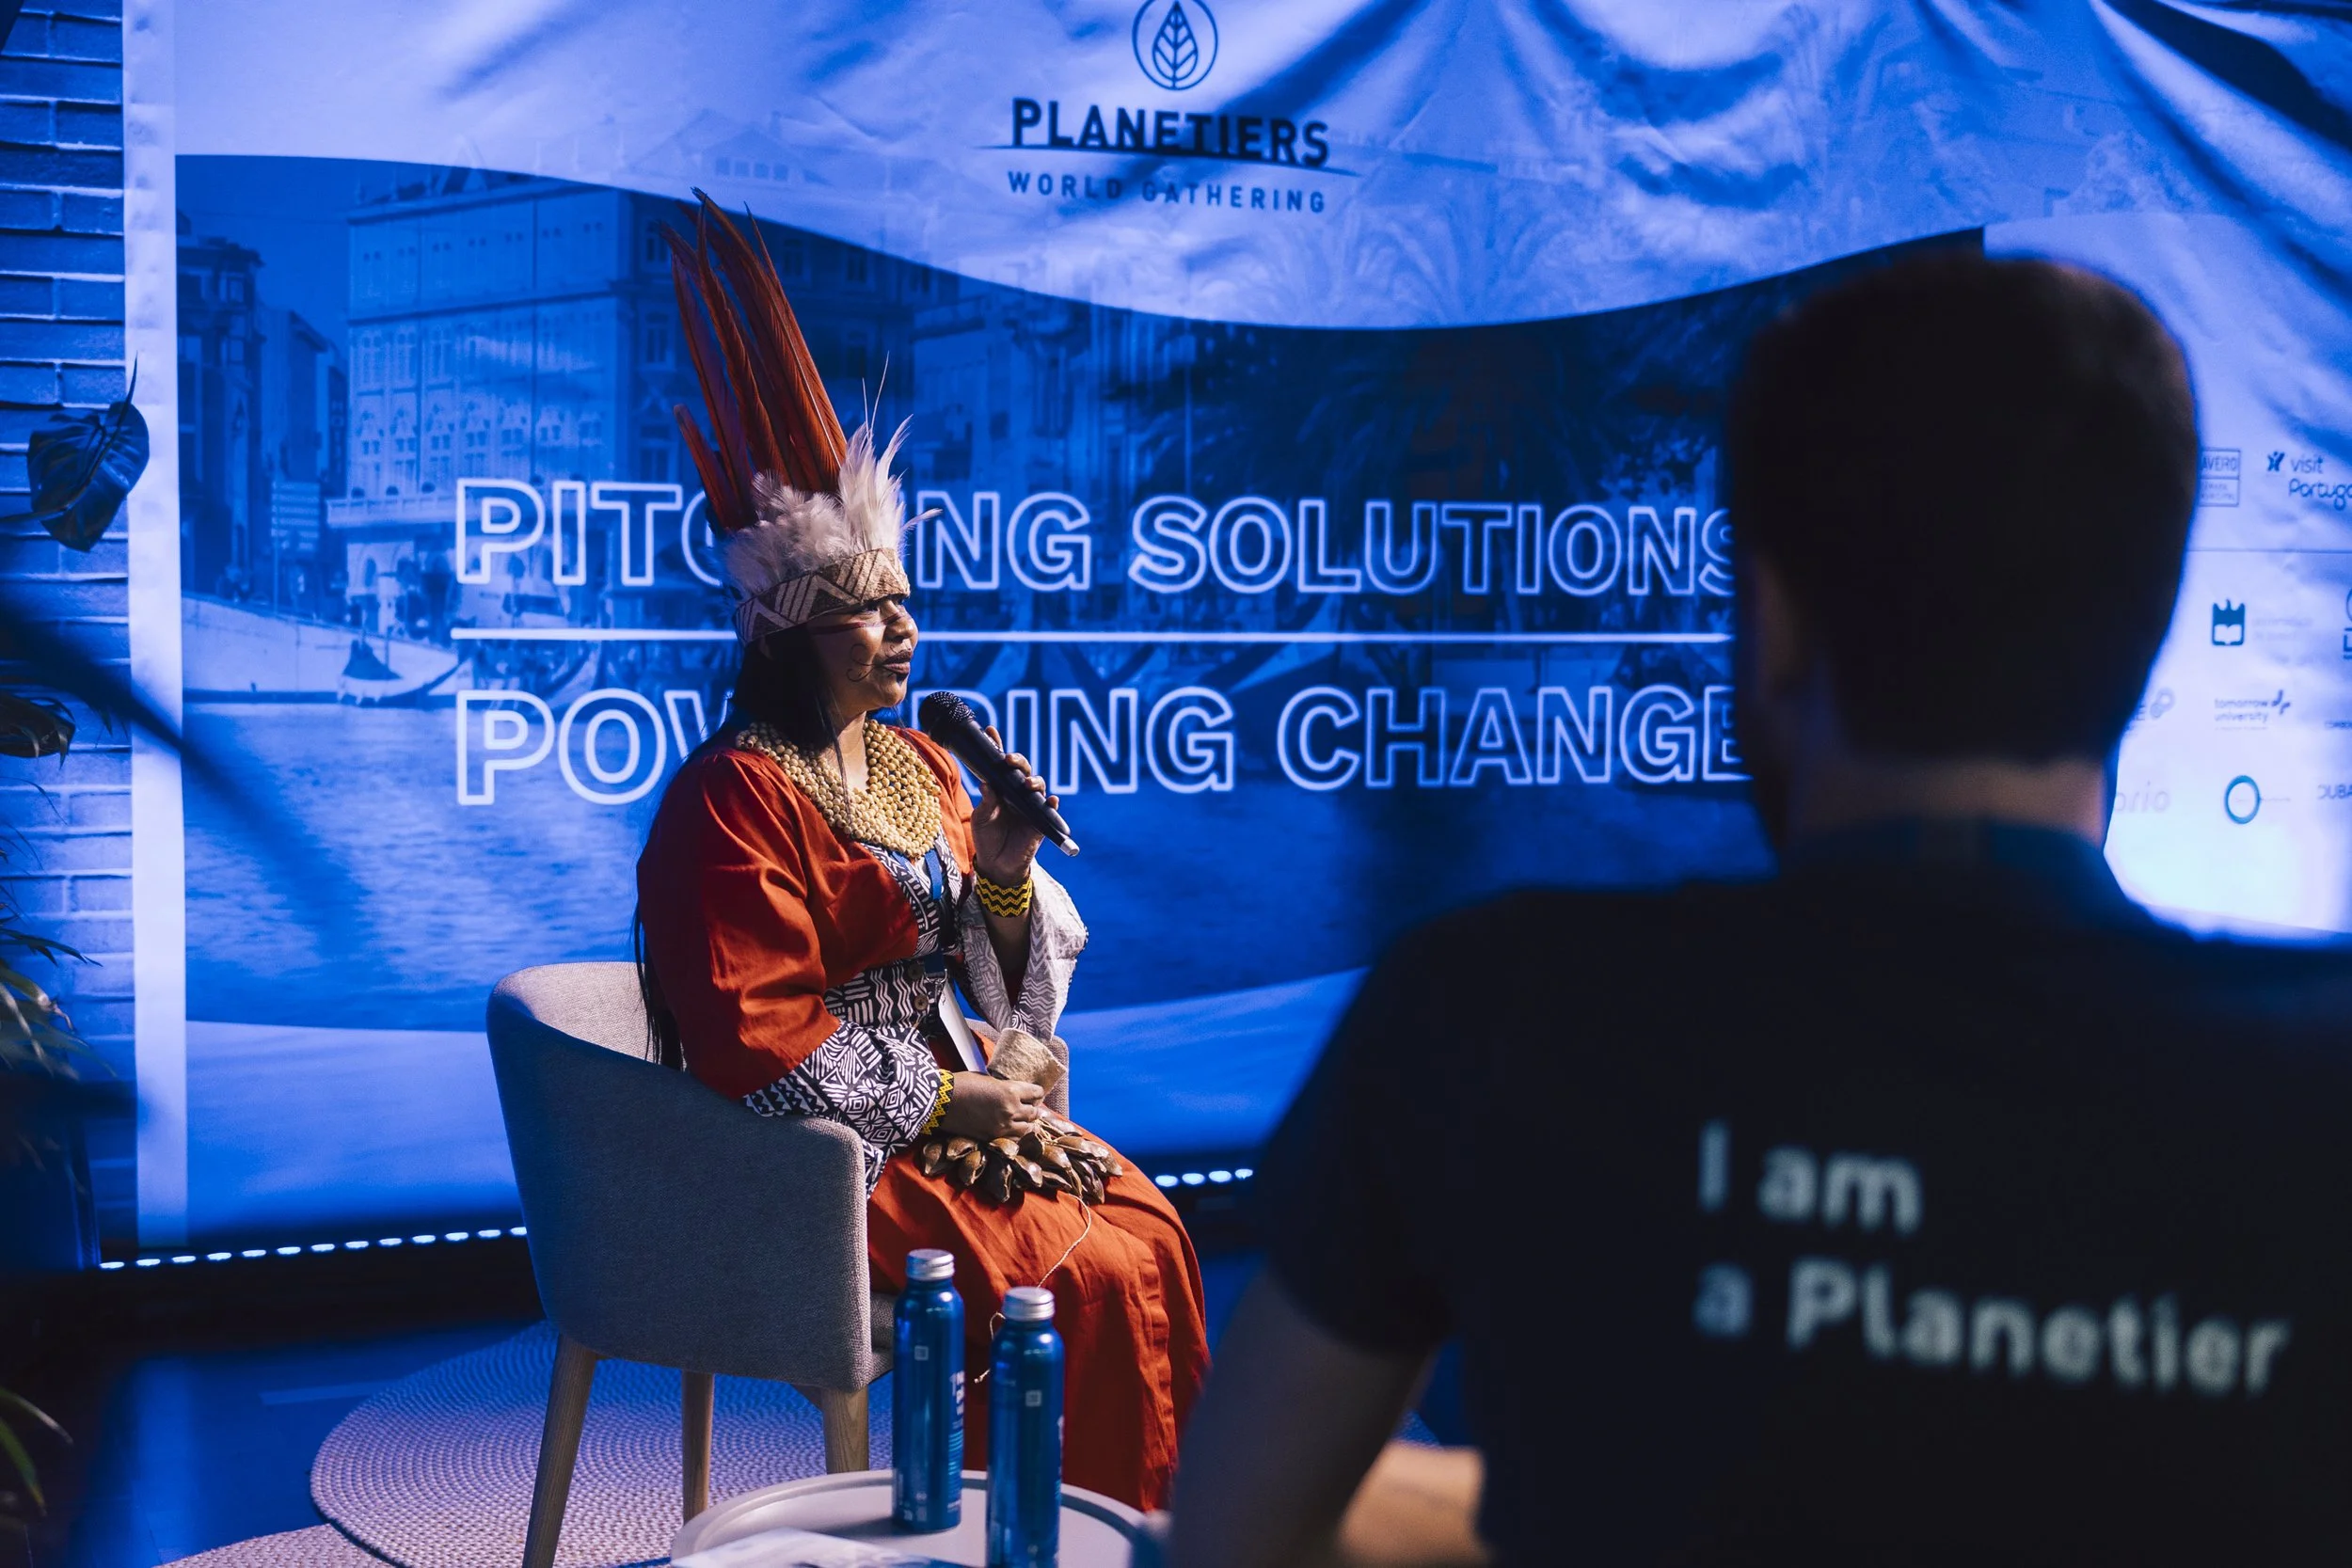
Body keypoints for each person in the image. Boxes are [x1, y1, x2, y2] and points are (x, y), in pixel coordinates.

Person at [1172, 254, 2352, 1565]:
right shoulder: (2318, 1089)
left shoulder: (1489, 1017)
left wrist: (1587, 1500)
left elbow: (1243, 1525)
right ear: (2148, 624)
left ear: (1775, 623)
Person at [633, 198, 1208, 1513]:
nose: (901, 629)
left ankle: (1145, 1535)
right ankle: (1015, 1535)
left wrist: (1000, 870)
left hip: (944, 1111)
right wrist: (954, 1103)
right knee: (1080, 1272)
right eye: (864, 610)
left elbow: (978, 974)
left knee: (1153, 1232)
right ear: (790, 630)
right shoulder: (731, 798)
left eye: (902, 602)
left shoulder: (921, 765)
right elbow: (758, 1042)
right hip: (816, 1162)